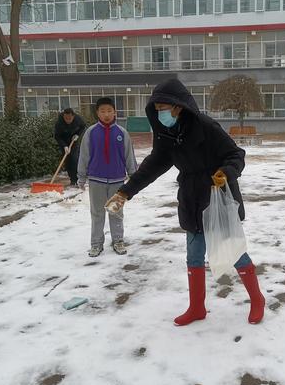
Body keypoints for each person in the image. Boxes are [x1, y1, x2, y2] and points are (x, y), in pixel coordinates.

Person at [104, 79, 266, 326]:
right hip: (191, 198)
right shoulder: (167, 132)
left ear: (178, 106)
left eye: (164, 108)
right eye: (156, 109)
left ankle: (257, 299)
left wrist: (226, 172)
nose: (160, 113)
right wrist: (125, 192)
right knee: (194, 255)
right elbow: (154, 165)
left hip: (217, 196)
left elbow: (236, 155)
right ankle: (197, 307)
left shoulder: (205, 126)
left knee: (234, 252)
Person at [77, 97, 137, 257]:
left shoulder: (122, 133)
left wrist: (134, 176)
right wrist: (81, 177)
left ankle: (118, 241)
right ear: (97, 113)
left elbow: (129, 156)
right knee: (97, 213)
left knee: (116, 212)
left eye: (109, 111)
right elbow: (84, 156)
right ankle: (96, 244)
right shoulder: (91, 133)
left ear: (115, 112)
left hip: (118, 181)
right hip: (96, 180)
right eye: (103, 111)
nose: (106, 114)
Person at [54, 108, 86, 186]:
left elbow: (83, 127)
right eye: (66, 118)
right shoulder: (59, 123)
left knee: (74, 159)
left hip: (73, 140)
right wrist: (64, 146)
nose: (67, 120)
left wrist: (77, 135)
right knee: (67, 161)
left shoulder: (78, 120)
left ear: (73, 116)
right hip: (64, 141)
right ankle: (72, 180)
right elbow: (57, 136)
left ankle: (77, 180)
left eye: (69, 118)